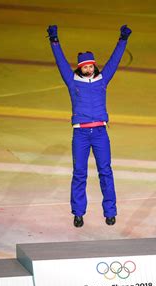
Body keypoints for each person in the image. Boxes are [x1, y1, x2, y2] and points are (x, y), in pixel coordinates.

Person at [47, 24, 132, 228]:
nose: (89, 69)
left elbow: (114, 61)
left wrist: (122, 40)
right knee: (79, 173)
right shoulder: (72, 81)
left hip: (100, 132)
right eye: (85, 66)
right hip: (81, 134)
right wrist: (54, 40)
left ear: (94, 66)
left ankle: (110, 212)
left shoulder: (102, 79)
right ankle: (78, 213)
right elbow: (60, 62)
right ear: (80, 67)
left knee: (105, 171)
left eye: (91, 66)